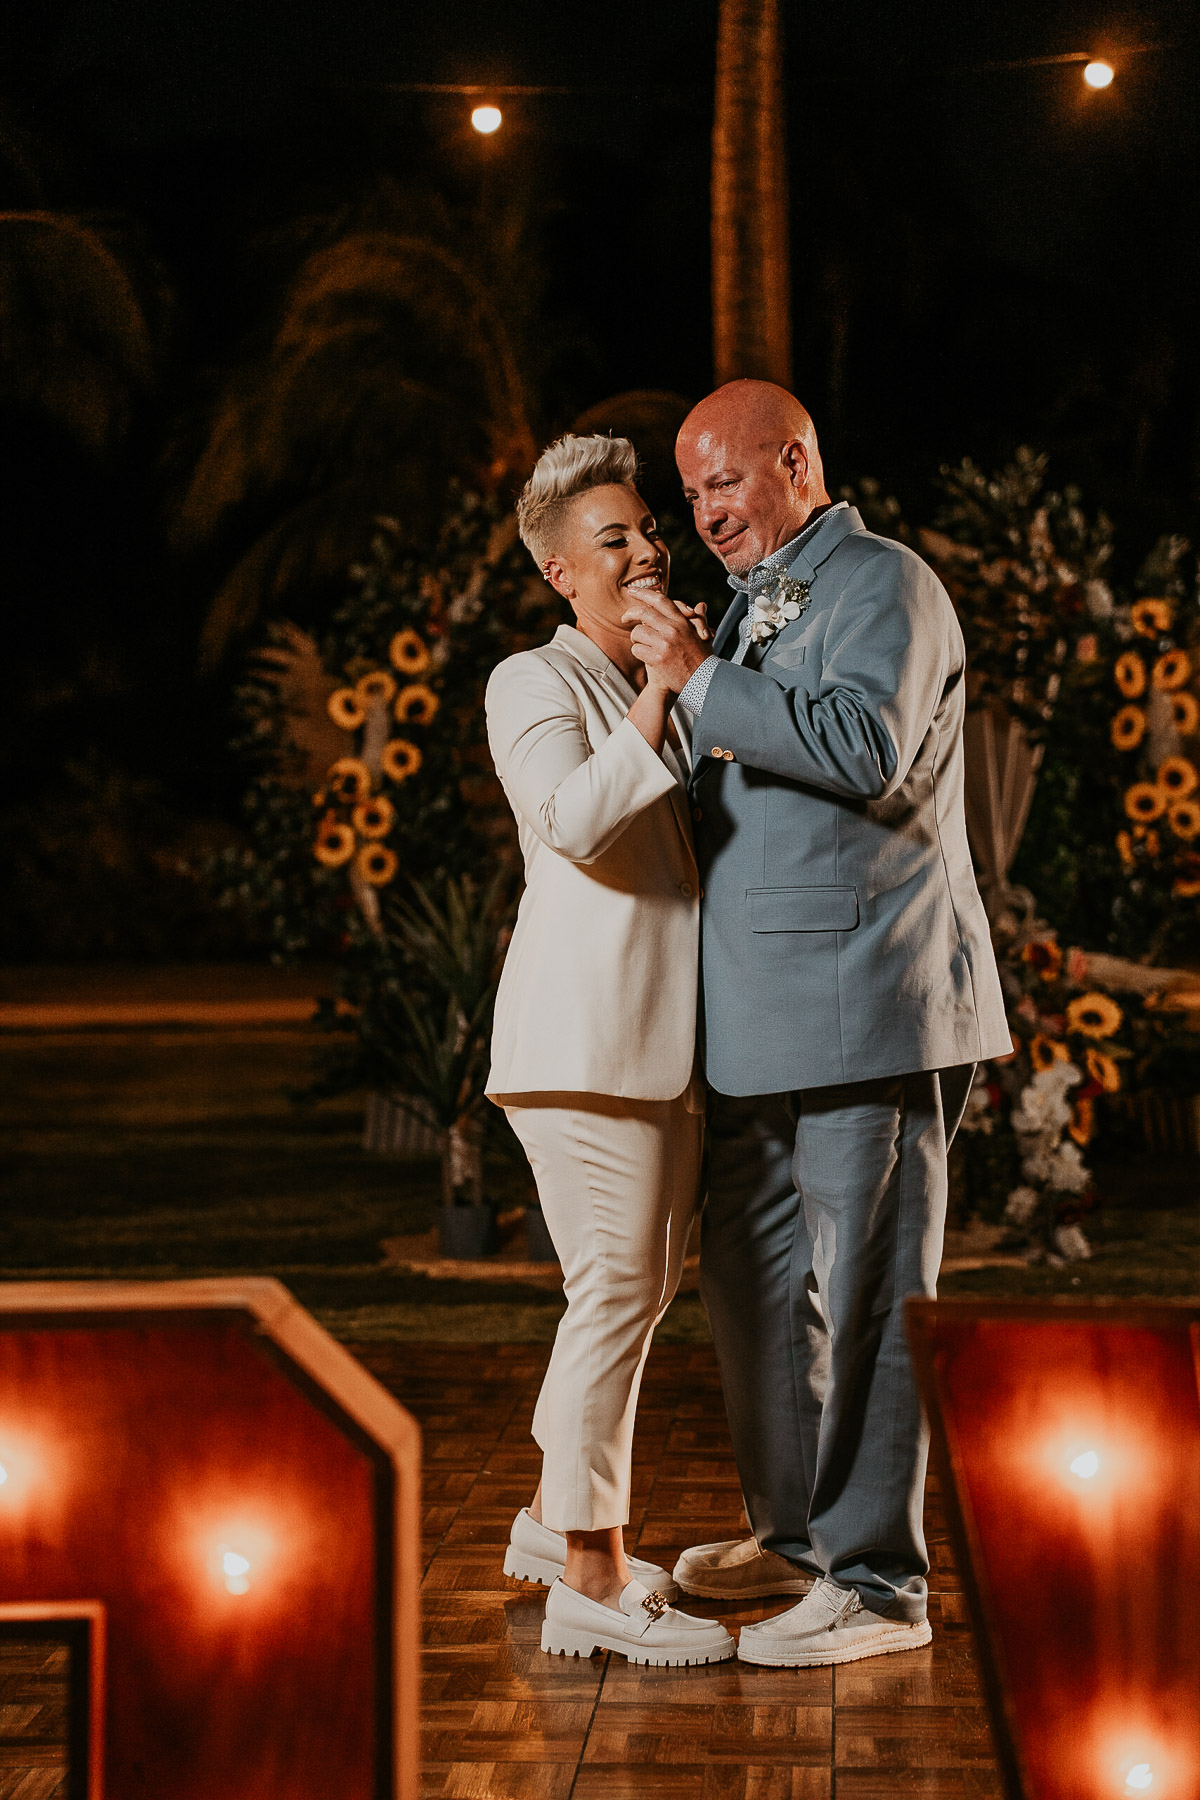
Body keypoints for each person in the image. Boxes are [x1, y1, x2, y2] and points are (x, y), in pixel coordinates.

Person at [623, 379, 1011, 1668]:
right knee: (754, 1287)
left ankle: (882, 1585)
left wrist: (702, 679)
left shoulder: (882, 581)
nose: (707, 514)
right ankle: (795, 1540)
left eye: (723, 483)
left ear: (795, 461)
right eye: (692, 495)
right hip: (759, 1019)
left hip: (874, 1000)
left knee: (870, 1297)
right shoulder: (762, 598)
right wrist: (685, 674)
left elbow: (864, 748)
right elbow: (722, 758)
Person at [485, 432, 735, 1668]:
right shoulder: (531, 681)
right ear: (557, 573)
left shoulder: (655, 677)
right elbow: (573, 825)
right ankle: (592, 1573)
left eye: (649, 530)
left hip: (654, 1048)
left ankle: (548, 1518)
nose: (648, 549)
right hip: (580, 1047)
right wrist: (661, 689)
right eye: (617, 539)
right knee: (618, 1294)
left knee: (630, 1296)